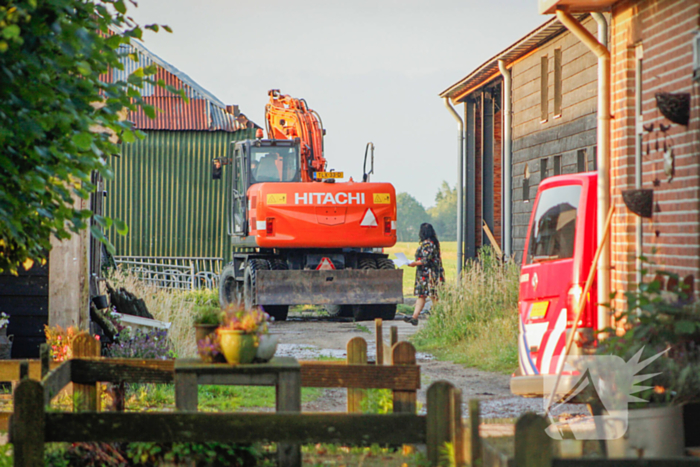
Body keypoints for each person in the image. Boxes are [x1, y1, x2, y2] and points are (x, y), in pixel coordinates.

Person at [404, 223, 445, 326]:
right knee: (425, 296)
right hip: (429, 274)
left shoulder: (427, 244)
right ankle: (415, 317)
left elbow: (425, 260)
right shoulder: (433, 243)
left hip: (428, 274)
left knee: (433, 296)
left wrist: (414, 263)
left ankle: (440, 317)